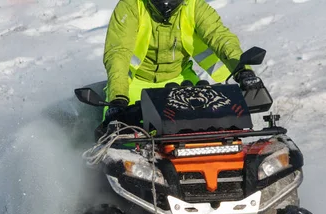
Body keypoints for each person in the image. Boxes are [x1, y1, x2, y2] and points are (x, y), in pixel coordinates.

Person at [102, 0, 264, 125]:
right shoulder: (130, 6)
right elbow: (118, 53)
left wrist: (243, 72)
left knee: (214, 126)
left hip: (181, 81)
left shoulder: (195, 7)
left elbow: (221, 39)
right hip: (133, 85)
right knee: (120, 133)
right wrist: (118, 99)